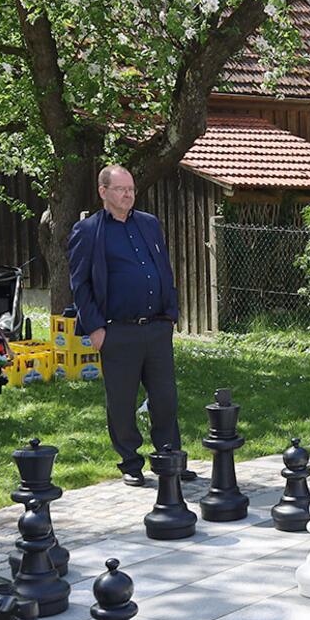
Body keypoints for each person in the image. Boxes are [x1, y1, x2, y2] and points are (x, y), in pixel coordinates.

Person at [68, 164, 193, 487]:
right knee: (122, 401)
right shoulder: (88, 231)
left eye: (132, 189)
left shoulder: (149, 224)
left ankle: (169, 457)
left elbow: (163, 267)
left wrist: (170, 313)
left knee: (165, 397)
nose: (128, 195)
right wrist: (95, 329)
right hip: (117, 330)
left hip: (156, 327)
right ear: (103, 192)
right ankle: (131, 462)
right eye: (122, 189)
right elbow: (80, 284)